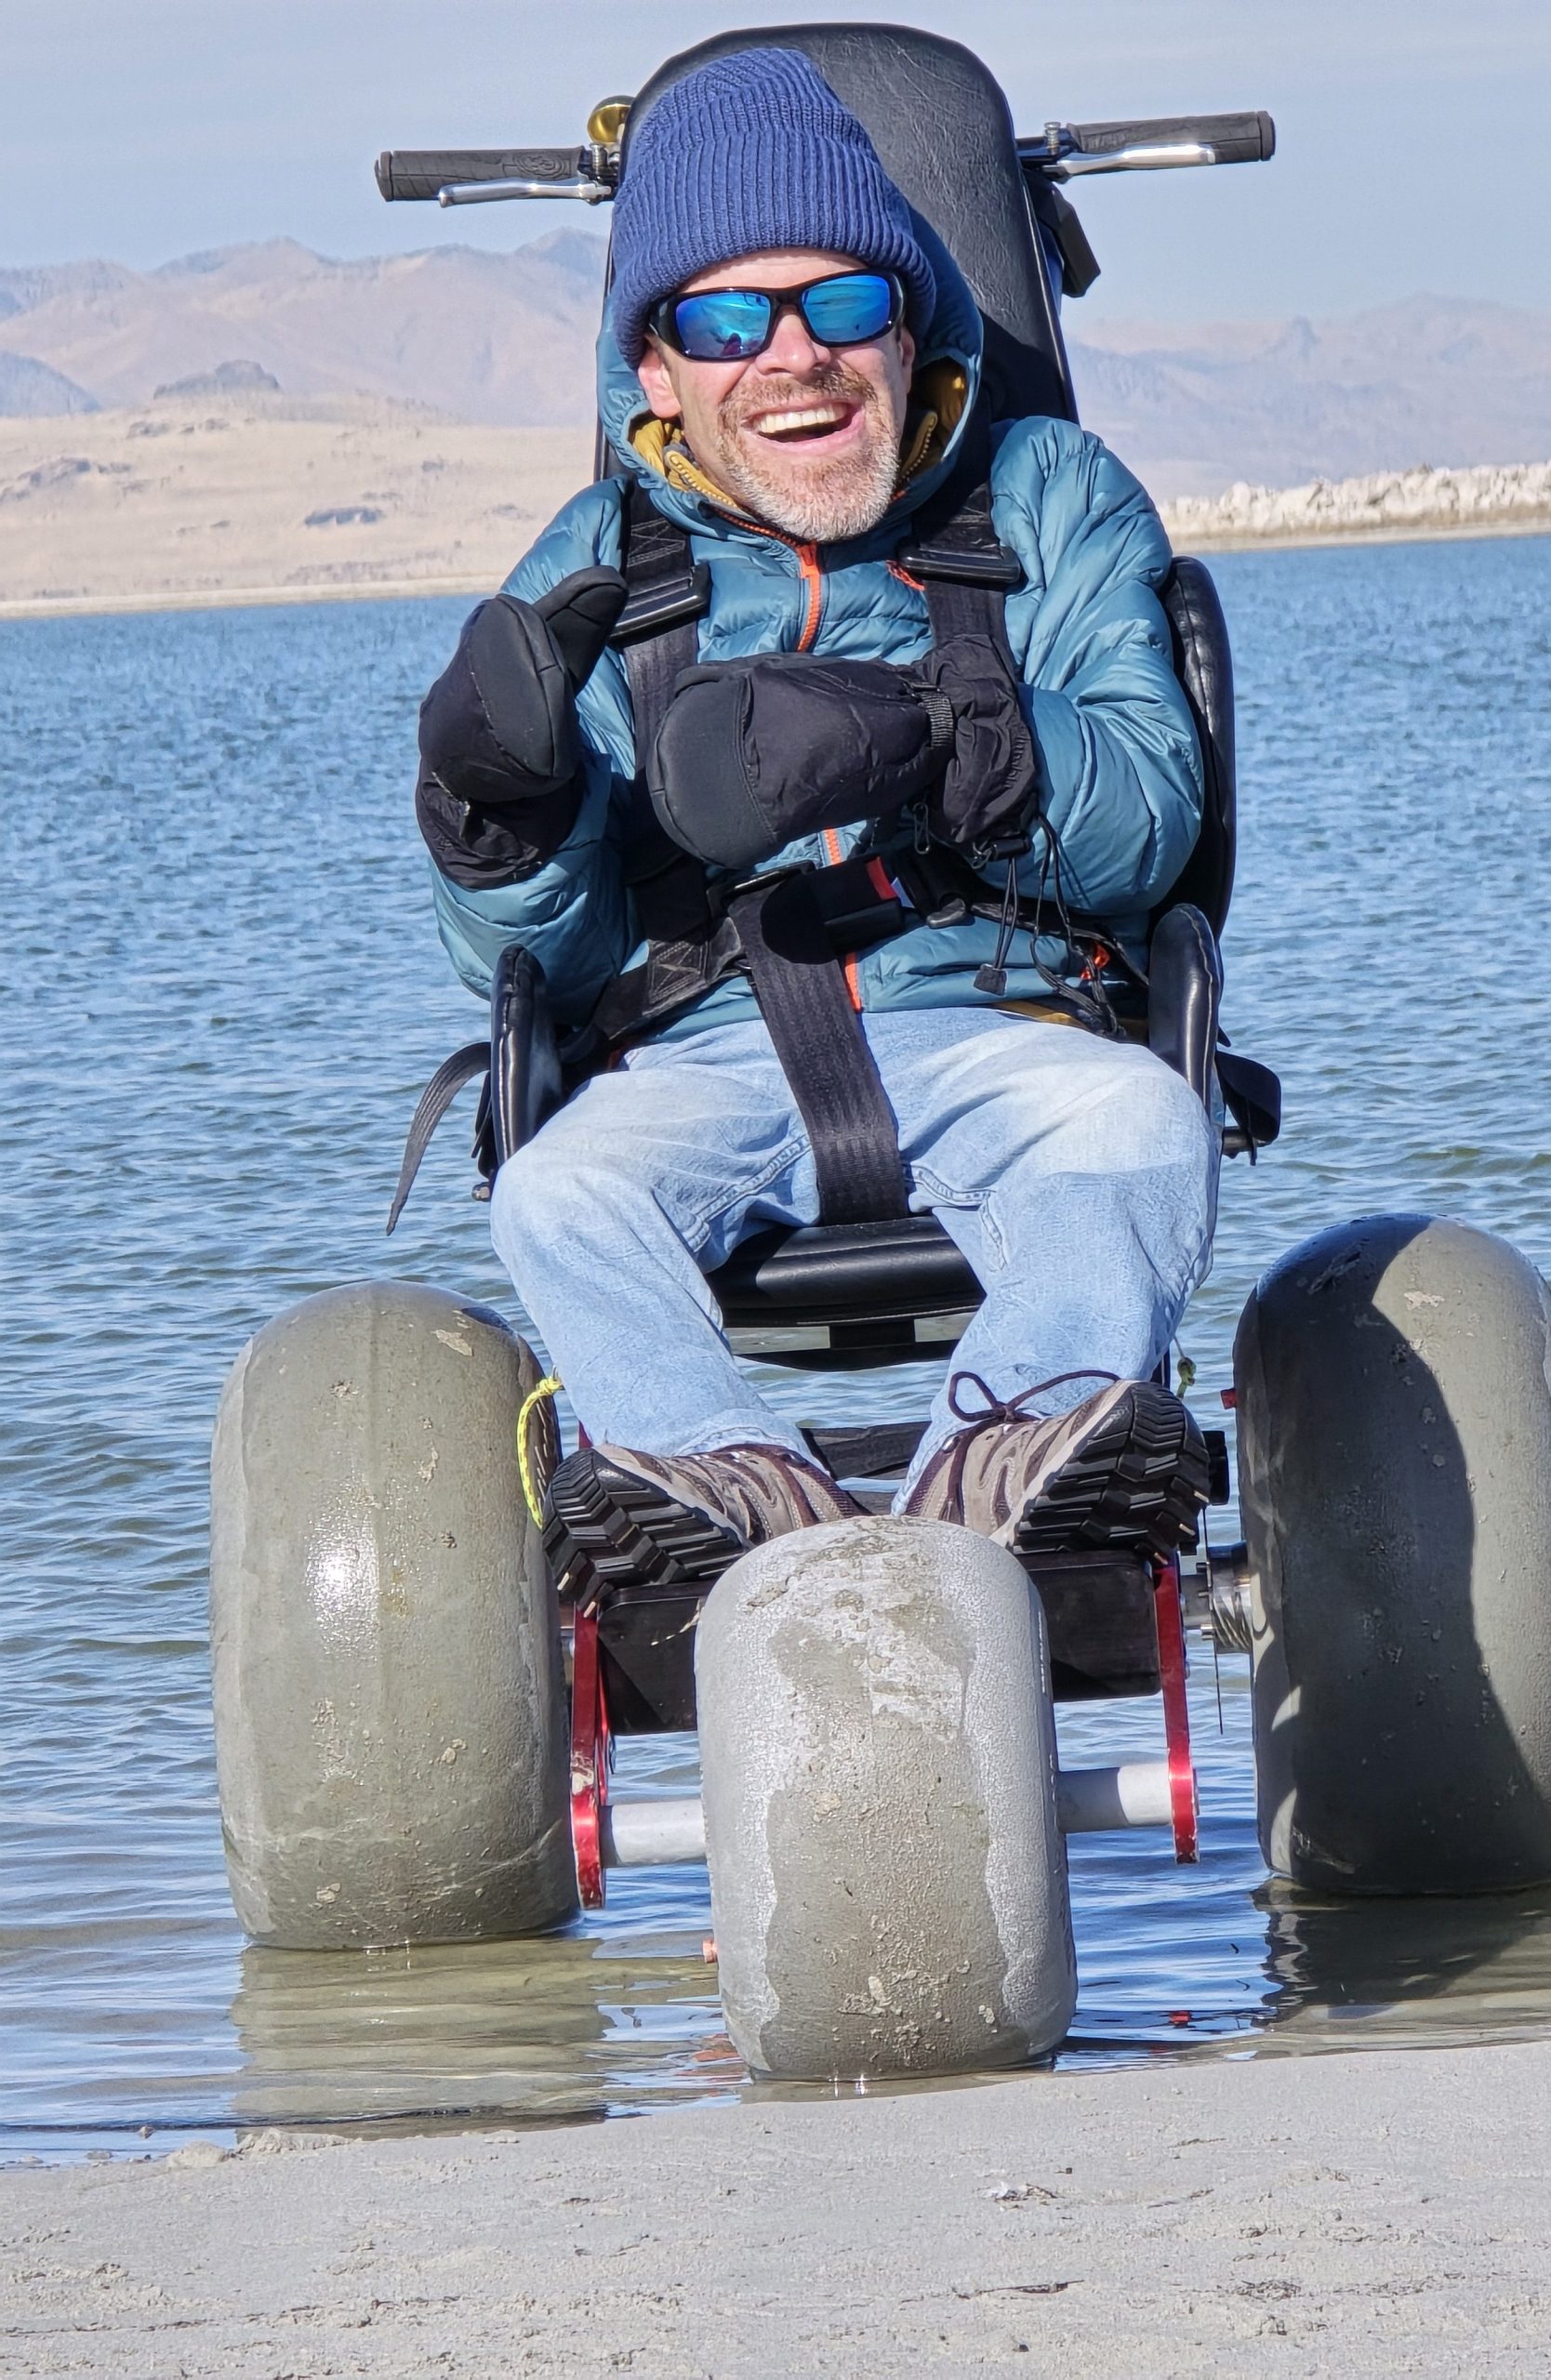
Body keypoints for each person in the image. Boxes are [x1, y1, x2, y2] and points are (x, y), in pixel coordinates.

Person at [414, 46, 1222, 1584]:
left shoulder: (1049, 494)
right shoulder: (596, 560)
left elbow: (1153, 821)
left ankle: (1008, 1471)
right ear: (657, 370)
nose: (794, 357)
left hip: (1003, 1023)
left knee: (1137, 1125)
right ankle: (734, 1490)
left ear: (907, 329)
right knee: (558, 1191)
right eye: (728, 318)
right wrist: (501, 824)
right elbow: (550, 962)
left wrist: (930, 740)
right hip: (693, 1055)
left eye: (840, 304)